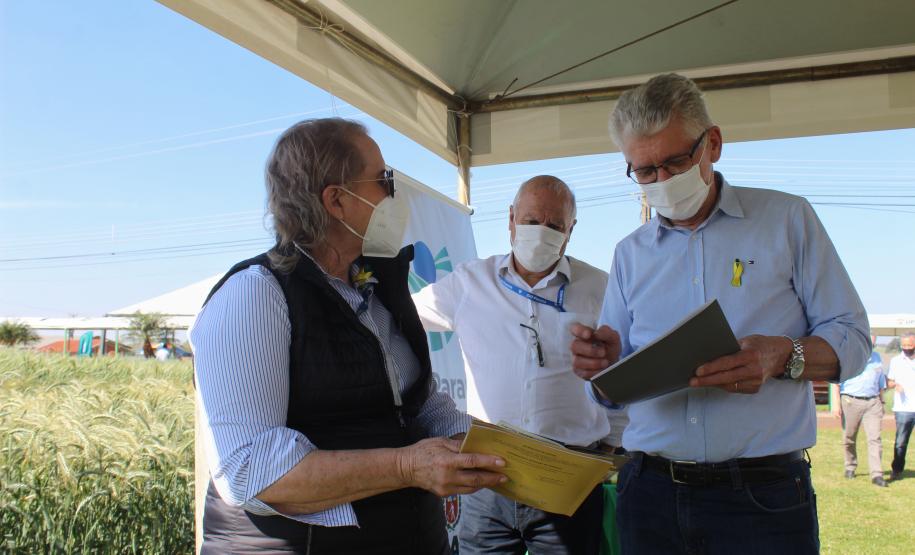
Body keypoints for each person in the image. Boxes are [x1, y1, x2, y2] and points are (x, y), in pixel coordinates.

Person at [570, 73, 871, 554]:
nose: (662, 182)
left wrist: (783, 356)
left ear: (712, 143)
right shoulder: (629, 254)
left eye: (674, 162)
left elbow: (853, 338)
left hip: (761, 497)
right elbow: (613, 392)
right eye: (644, 171)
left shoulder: (787, 220)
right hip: (649, 493)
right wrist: (604, 367)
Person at [190, 118, 506, 554]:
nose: (394, 194)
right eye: (383, 180)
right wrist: (407, 465)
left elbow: (422, 406)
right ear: (337, 200)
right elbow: (249, 468)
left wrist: (532, 458)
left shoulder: (375, 288)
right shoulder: (256, 293)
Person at [411, 175, 614, 554]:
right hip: (488, 477)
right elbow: (405, 317)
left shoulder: (600, 289)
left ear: (570, 230)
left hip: (566, 477)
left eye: (554, 225)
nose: (542, 232)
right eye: (532, 220)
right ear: (511, 219)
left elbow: (626, 369)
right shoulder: (471, 282)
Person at [839, 334, 887, 486]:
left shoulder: (877, 358)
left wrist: (882, 401)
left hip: (873, 402)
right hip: (851, 401)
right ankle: (850, 466)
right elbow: (837, 382)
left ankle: (877, 474)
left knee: (875, 438)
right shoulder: (848, 357)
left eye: (873, 344)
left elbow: (880, 382)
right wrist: (836, 406)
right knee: (849, 437)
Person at [888, 332, 915, 481]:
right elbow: (889, 381)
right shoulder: (896, 361)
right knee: (900, 442)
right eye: (904, 345)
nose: (906, 348)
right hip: (903, 408)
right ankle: (897, 469)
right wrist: (895, 385)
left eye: (909, 345)